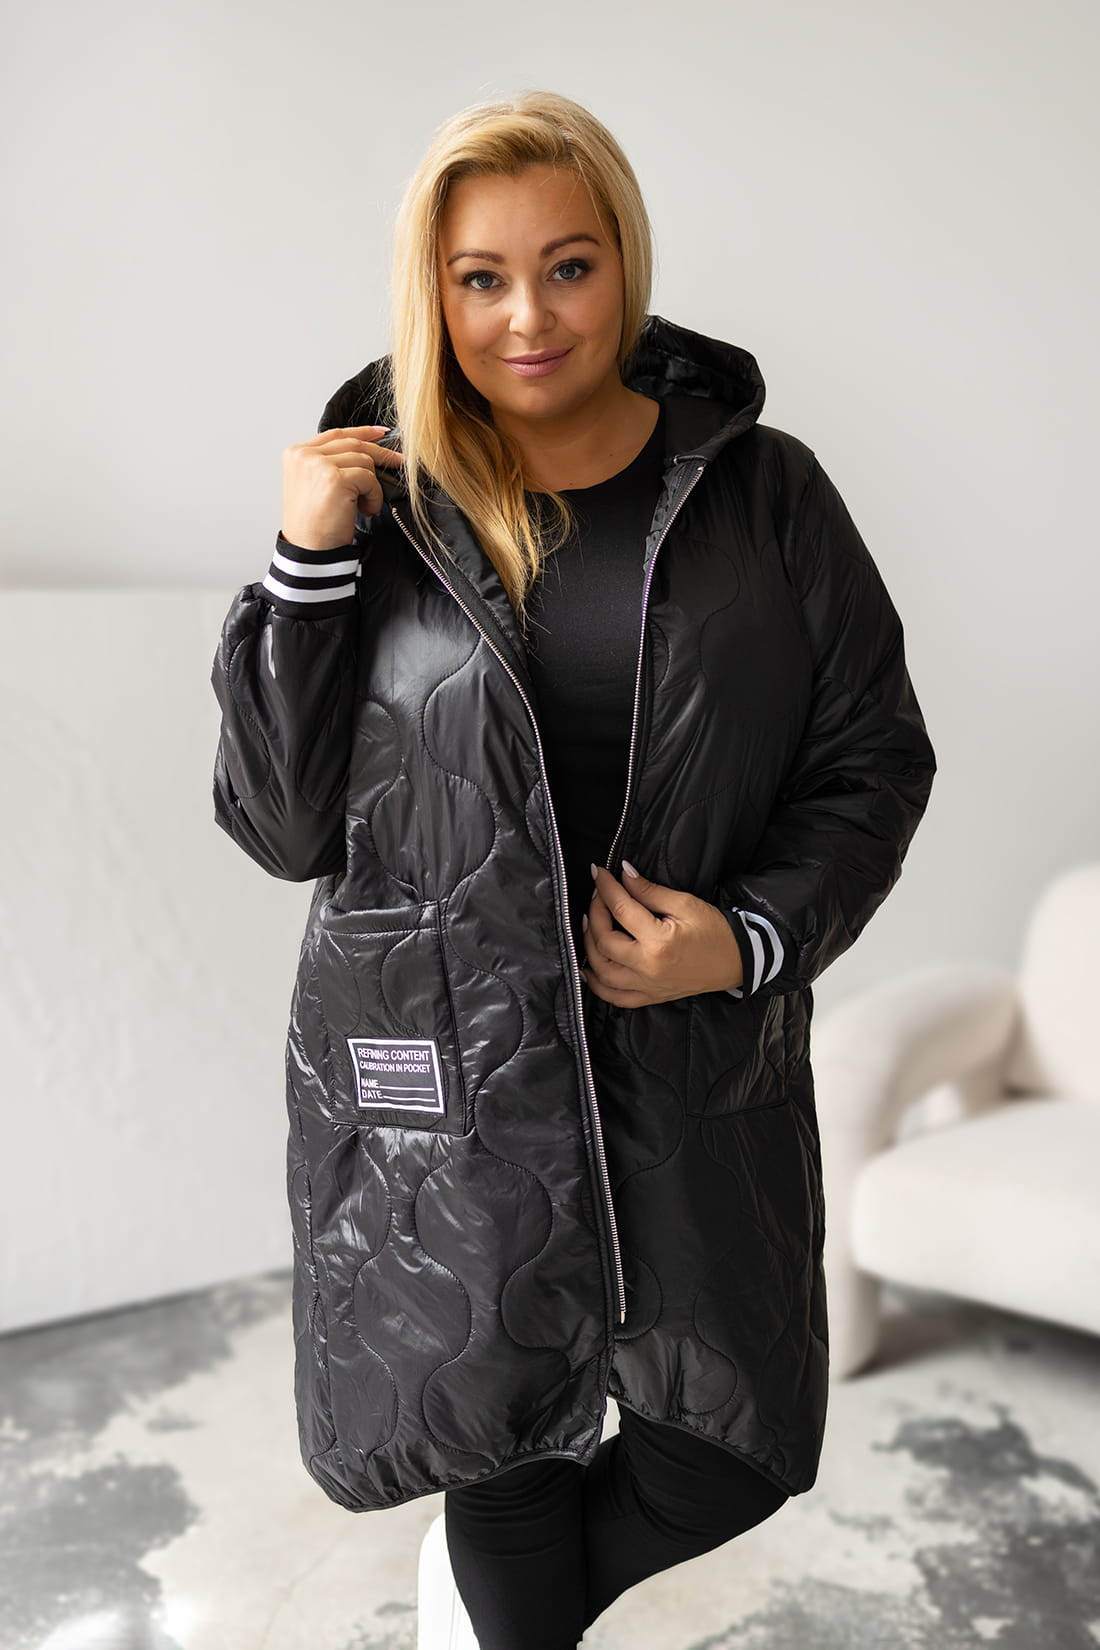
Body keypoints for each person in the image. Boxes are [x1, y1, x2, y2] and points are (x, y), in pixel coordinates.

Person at [210, 90, 936, 1650]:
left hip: (689, 1046)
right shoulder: (379, 512)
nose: (527, 317)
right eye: (481, 277)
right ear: (434, 289)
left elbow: (875, 760)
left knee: (728, 1442)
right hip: (451, 1075)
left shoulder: (766, 494)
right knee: (507, 1448)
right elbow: (280, 826)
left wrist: (743, 938)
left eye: (569, 266)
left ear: (627, 264)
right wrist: (303, 566)